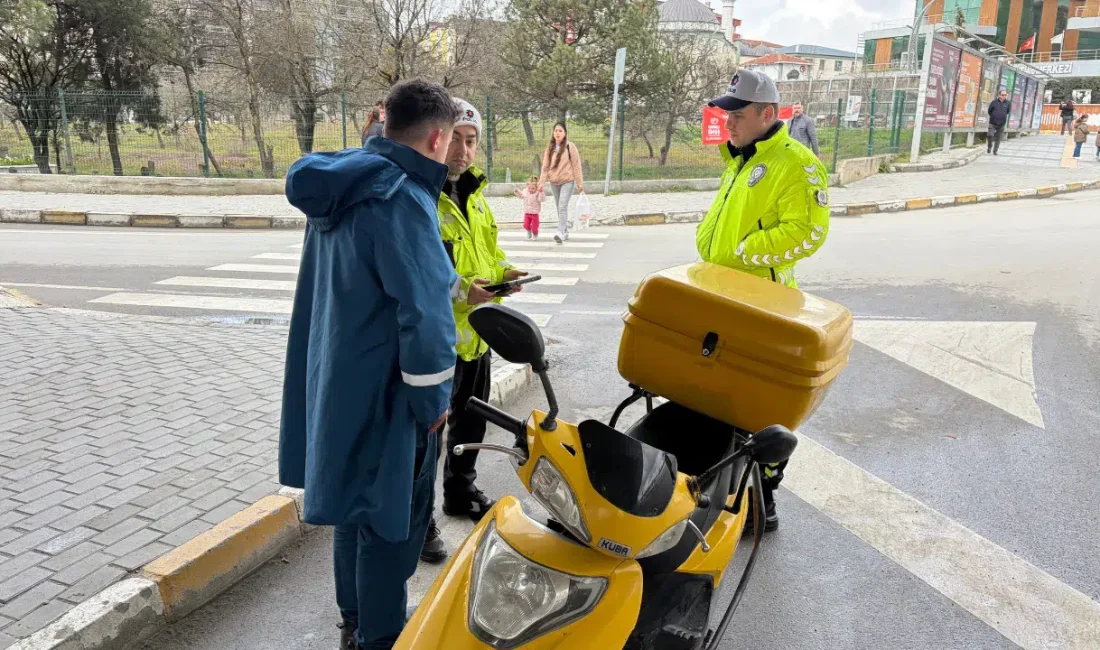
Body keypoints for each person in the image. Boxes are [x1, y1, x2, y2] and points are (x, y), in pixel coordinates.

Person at [279, 79, 460, 650]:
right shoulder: (402, 196)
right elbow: (425, 320)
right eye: (453, 141)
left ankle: (353, 624)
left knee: (354, 512)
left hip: (336, 381)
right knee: (391, 525)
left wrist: (452, 284)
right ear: (436, 137)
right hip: (388, 394)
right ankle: (380, 638)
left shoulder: (345, 182)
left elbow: (373, 278)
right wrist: (433, 403)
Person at [695, 69, 830, 535]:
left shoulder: (797, 162)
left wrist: (742, 252)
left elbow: (809, 232)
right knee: (718, 397)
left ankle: (764, 498)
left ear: (767, 114)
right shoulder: (742, 157)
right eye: (725, 112)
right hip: (724, 296)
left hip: (765, 303)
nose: (727, 121)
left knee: (763, 406)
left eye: (737, 113)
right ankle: (719, 485)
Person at [422, 97, 528, 563]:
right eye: (455, 140)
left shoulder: (475, 195)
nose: (463, 151)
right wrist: (465, 289)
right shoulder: (424, 198)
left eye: (471, 142)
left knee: (471, 424)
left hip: (477, 336)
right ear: (437, 139)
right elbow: (421, 275)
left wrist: (508, 273)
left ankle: (460, 494)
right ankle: (419, 522)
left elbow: (489, 255)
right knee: (427, 442)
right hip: (438, 343)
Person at [538, 122, 584, 244]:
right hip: (554, 181)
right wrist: (541, 182)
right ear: (553, 133)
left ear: (565, 133)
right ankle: (565, 231)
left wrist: (579, 183)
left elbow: (576, 165)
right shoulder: (550, 148)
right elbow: (545, 167)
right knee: (559, 207)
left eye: (560, 131)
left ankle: (561, 232)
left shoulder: (570, 147)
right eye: (556, 131)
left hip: (567, 181)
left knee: (562, 206)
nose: (557, 133)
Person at [515, 175, 544, 240]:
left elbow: (541, 199)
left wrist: (541, 192)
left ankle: (535, 234)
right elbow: (522, 196)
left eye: (533, 188)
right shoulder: (525, 191)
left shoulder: (538, 192)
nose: (531, 190)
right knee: (525, 225)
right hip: (527, 212)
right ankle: (528, 231)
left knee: (534, 226)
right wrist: (518, 192)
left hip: (535, 213)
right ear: (527, 187)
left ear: (536, 187)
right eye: (529, 188)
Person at [987, 90, 1010, 155]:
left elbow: (1007, 112)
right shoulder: (994, 102)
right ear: (999, 95)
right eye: (1003, 95)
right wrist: (994, 116)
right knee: (990, 135)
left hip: (1002, 123)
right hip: (992, 122)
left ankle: (995, 150)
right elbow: (989, 111)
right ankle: (989, 146)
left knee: (998, 137)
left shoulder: (1008, 103)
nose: (1004, 96)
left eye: (1005, 95)